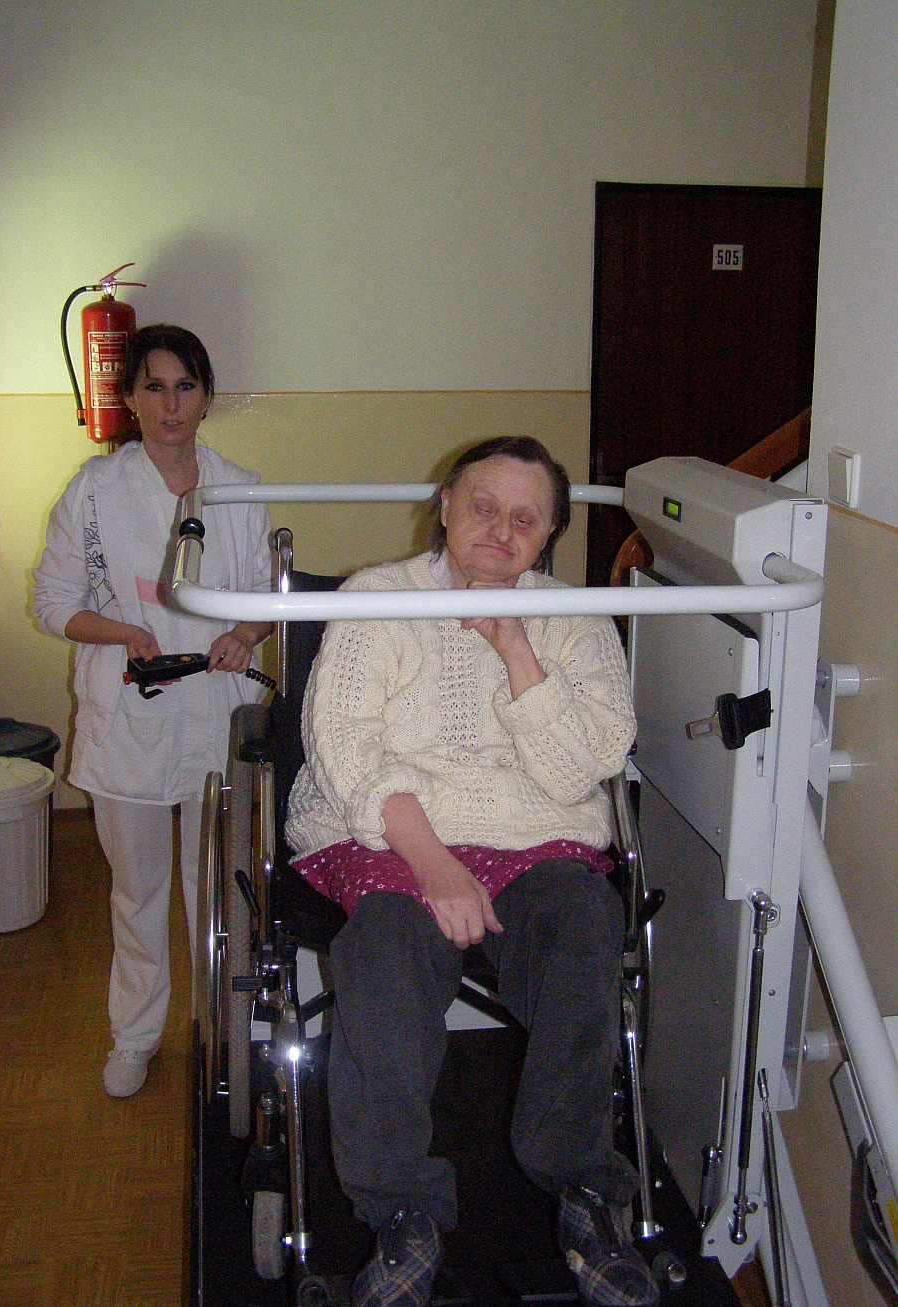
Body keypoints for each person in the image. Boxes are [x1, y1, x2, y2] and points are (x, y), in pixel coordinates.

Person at [285, 437, 659, 1307]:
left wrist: (518, 651)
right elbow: (344, 748)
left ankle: (580, 1183)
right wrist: (435, 864)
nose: (501, 529)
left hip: (535, 835)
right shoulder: (377, 599)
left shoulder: (575, 615)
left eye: (526, 518)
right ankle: (402, 1212)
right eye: (484, 506)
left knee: (586, 921)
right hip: (392, 834)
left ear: (550, 534)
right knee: (384, 946)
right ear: (446, 504)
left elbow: (587, 765)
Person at [33, 324, 272, 1099]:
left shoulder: (237, 488)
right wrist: (122, 633)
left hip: (213, 712)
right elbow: (52, 603)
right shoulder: (95, 490)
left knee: (217, 888)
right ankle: (135, 1034)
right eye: (155, 387)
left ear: (207, 397)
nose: (171, 404)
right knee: (136, 892)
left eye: (186, 386)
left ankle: (222, 1031)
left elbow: (267, 598)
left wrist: (243, 634)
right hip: (129, 717)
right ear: (131, 398)